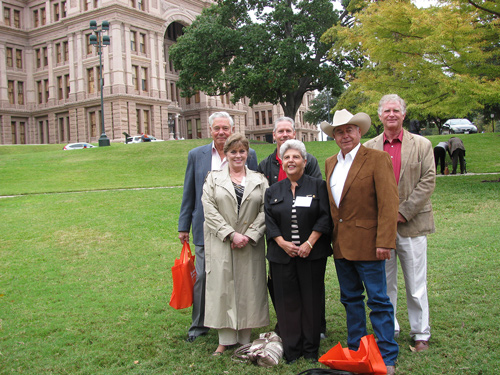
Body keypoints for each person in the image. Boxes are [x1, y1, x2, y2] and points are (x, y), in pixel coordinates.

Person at [322, 109, 399, 375]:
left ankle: (387, 353)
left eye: (349, 130)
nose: (345, 135)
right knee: (350, 299)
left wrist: (385, 241)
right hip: (341, 245)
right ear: (334, 136)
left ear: (359, 132)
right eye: (339, 132)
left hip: (370, 245)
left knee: (378, 301)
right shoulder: (330, 162)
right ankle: (356, 350)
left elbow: (389, 203)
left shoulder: (377, 159)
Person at [178, 112, 258, 343]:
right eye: (217, 128)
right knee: (204, 276)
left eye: (225, 128)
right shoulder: (197, 155)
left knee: (236, 276)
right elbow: (189, 192)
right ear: (210, 130)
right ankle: (199, 325)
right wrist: (184, 225)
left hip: (238, 228)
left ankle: (236, 322)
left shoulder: (247, 154)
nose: (221, 132)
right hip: (206, 227)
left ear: (232, 130)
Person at [364, 94, 435, 353]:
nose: (391, 114)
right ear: (379, 116)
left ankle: (420, 333)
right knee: (385, 283)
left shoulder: (422, 144)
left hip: (412, 224)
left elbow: (428, 181)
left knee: (416, 284)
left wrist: (401, 212)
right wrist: (383, 217)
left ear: (404, 114)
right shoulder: (370, 147)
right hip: (381, 229)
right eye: (387, 111)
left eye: (396, 110)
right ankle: (389, 330)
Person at [257, 116, 327, 339]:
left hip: (307, 236)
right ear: (274, 135)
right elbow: (265, 204)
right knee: (279, 285)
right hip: (280, 238)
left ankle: (316, 328)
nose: (284, 135)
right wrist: (279, 239)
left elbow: (318, 204)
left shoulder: (311, 164)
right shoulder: (265, 164)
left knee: (311, 289)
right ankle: (288, 325)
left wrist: (308, 241)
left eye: (289, 131)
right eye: (281, 131)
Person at [264, 139, 332, 364]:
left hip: (311, 254)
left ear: (305, 160)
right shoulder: (272, 190)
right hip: (281, 256)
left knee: (311, 300)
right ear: (282, 162)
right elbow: (269, 220)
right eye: (287, 157)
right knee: (286, 301)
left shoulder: (318, 185)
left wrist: (309, 243)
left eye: (295, 157)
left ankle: (310, 349)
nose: (291, 161)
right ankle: (292, 349)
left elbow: (325, 216)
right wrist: (282, 243)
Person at [201, 133, 269, 355]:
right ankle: (225, 340)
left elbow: (266, 210)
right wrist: (230, 234)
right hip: (222, 243)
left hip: (250, 244)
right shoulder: (212, 179)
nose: (238, 155)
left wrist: (249, 235)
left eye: (242, 151)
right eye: (233, 151)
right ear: (225, 154)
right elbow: (208, 209)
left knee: (249, 287)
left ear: (247, 154)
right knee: (222, 288)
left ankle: (245, 339)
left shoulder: (260, 180)